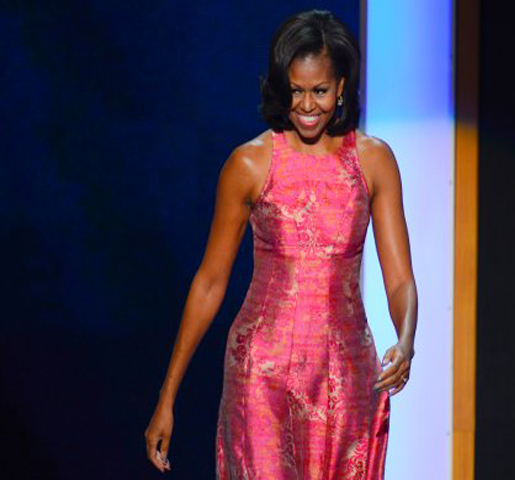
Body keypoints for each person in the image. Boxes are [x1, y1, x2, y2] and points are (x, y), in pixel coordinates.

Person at [144, 9, 418, 479]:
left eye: (320, 91)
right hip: (262, 377)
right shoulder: (250, 164)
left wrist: (406, 340)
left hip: (347, 376)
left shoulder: (373, 162)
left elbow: (399, 280)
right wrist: (167, 396)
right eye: (295, 90)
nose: (307, 105)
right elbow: (210, 282)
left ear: (341, 87)